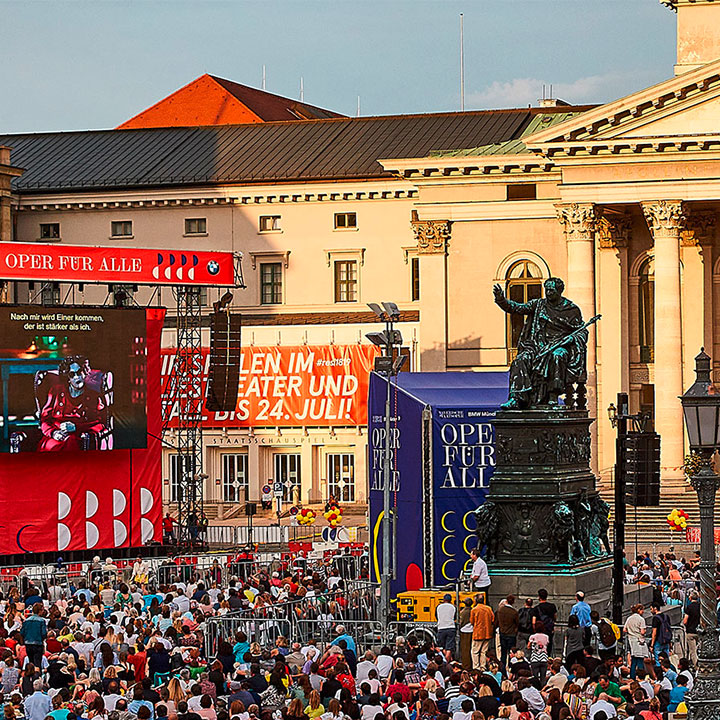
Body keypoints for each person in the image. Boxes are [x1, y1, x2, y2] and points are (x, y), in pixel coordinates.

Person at [493, 277, 588, 408]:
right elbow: (516, 308)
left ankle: (553, 395)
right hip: (537, 346)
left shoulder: (571, 310)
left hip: (559, 346)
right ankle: (517, 397)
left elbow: (582, 332)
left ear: (559, 291)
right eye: (546, 290)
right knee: (520, 360)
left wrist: (570, 339)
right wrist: (501, 300)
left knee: (558, 356)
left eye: (551, 290)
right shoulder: (538, 304)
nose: (548, 293)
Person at [38, 355, 109, 451]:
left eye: (79, 372)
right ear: (67, 378)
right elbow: (44, 419)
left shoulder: (94, 397)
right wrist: (53, 433)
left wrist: (76, 427)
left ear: (85, 373)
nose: (76, 377)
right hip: (54, 437)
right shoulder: (56, 391)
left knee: (71, 443)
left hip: (78, 438)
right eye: (72, 374)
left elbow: (100, 423)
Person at [469, 595, 494, 670]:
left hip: (478, 633)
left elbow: (471, 621)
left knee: (475, 651)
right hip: (487, 633)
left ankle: (476, 667)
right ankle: (483, 667)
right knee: (484, 651)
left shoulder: (474, 609)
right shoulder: (488, 608)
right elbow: (492, 619)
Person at [624, 604, 650, 679]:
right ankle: (640, 677)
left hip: (631, 640)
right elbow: (642, 632)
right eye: (642, 610)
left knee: (633, 661)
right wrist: (644, 630)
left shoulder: (629, 618)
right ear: (639, 610)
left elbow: (624, 629)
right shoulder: (641, 619)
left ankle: (632, 677)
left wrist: (631, 631)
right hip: (639, 641)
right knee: (640, 661)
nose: (643, 611)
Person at [496, 595, 518, 677]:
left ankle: (502, 670)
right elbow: (517, 623)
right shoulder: (514, 612)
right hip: (511, 634)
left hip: (502, 633)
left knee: (503, 653)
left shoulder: (500, 610)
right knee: (511, 653)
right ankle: (510, 669)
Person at [21, 603, 47, 668]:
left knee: (31, 662)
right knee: (37, 663)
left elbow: (22, 632)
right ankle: (37, 676)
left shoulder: (26, 621)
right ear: (40, 611)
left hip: (28, 643)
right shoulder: (41, 621)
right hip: (38, 644)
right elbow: (44, 633)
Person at [535, 589, 557, 655]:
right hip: (549, 629)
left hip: (540, 630)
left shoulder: (537, 608)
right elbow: (555, 616)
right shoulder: (552, 606)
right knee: (549, 647)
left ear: (539, 597)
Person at [435, 594, 456, 663]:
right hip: (451, 627)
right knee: (449, 647)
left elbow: (436, 616)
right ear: (450, 600)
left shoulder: (439, 607)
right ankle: (448, 661)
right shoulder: (453, 607)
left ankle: (446, 661)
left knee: (442, 647)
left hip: (441, 627)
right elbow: (455, 617)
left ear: (443, 600)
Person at [683, 591, 700, 667]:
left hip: (690, 631)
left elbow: (685, 620)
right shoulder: (701, 607)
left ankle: (697, 667)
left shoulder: (689, 607)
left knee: (692, 651)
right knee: (699, 650)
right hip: (699, 631)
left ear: (690, 598)